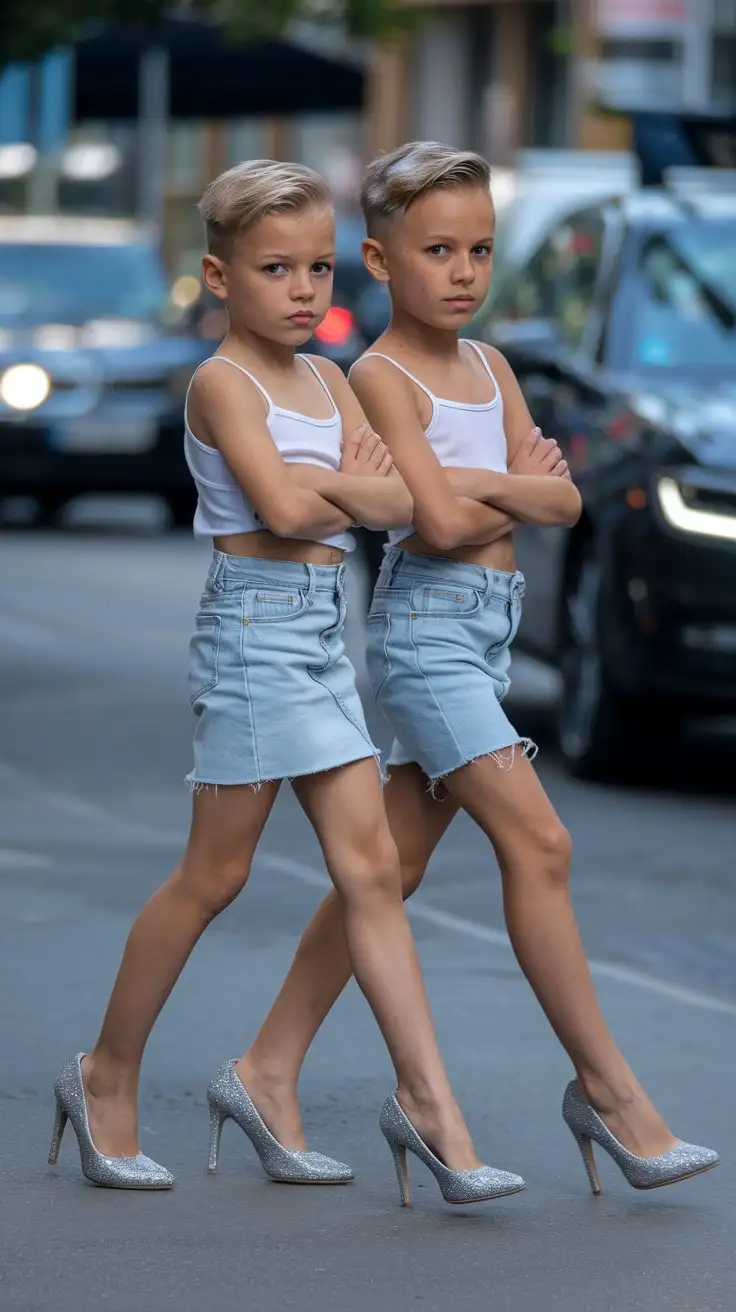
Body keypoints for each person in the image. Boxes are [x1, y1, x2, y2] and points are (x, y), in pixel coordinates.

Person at [233, 143, 718, 1196]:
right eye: (437, 249)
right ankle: (608, 1092)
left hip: (488, 634)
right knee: (541, 842)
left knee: (388, 868)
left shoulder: (492, 368)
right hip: (425, 640)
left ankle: (264, 1064)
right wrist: (511, 482)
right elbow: (441, 520)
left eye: (481, 250)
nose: (462, 271)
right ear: (377, 257)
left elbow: (569, 502)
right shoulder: (376, 374)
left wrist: (490, 486)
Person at [48, 158, 525, 1209]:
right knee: (211, 878)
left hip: (318, 636)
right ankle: (105, 1075)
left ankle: (436, 1117)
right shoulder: (224, 383)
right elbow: (289, 505)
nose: (304, 290)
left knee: (374, 871)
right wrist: (343, 488)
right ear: (221, 277)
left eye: (316, 267)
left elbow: (382, 497)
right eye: (275, 269)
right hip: (253, 634)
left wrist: (342, 488)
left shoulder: (328, 380)